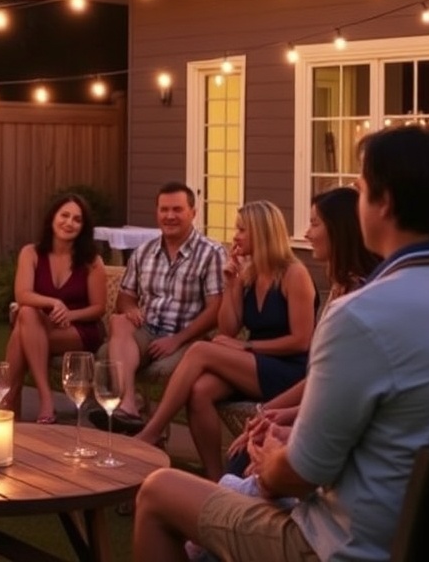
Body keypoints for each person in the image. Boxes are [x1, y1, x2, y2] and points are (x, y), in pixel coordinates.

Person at [133, 126, 429, 562]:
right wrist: (295, 432)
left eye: (360, 191)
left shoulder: (364, 313)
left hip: (350, 546)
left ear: (385, 204)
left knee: (159, 490)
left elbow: (301, 476)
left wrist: (269, 462)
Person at [134, 200, 318, 480]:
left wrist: (247, 346)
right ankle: (215, 477)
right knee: (199, 392)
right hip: (255, 366)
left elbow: (302, 341)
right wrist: (231, 284)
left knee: (199, 350)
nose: (236, 236)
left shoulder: (294, 274)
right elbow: (228, 329)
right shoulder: (250, 275)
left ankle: (151, 431)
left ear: (262, 232)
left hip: (289, 371)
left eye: (242, 229)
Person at [224, 186, 381, 478]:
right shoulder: (339, 287)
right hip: (310, 395)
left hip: (318, 406)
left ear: (339, 230)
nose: (307, 234)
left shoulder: (359, 298)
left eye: (314, 223)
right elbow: (325, 376)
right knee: (234, 428)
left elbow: (333, 380)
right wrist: (268, 414)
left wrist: (278, 415)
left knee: (245, 456)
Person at [89, 181, 227, 435]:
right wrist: (130, 308)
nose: (170, 216)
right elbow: (125, 297)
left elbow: (215, 310)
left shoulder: (211, 253)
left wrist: (177, 340)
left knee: (109, 350)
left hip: (188, 336)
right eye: (164, 210)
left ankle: (138, 421)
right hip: (147, 330)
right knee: (119, 322)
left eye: (177, 210)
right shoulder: (144, 252)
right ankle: (129, 403)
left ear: (193, 213)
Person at [3, 192, 107, 423]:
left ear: (83, 227)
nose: (69, 223)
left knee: (22, 329)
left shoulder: (91, 260)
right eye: (65, 215)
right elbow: (22, 295)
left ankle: (10, 404)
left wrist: (70, 313)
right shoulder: (31, 253)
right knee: (27, 313)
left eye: (77, 219)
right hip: (41, 325)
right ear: (52, 218)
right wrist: (53, 303)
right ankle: (44, 400)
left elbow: (99, 308)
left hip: (80, 329)